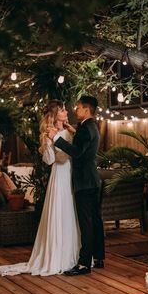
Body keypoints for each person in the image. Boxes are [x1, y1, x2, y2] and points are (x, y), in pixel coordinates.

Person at [0, 100, 80, 276]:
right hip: (59, 176)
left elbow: (75, 153)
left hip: (72, 174)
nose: (66, 111)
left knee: (70, 212)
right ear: (55, 114)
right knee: (60, 211)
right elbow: (50, 160)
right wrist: (49, 141)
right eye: (63, 110)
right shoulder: (50, 133)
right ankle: (57, 257)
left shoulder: (71, 130)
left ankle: (73, 255)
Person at [47, 95, 105, 276]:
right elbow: (84, 146)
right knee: (95, 221)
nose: (75, 110)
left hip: (84, 183)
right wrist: (73, 132)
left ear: (86, 109)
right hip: (93, 181)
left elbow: (77, 152)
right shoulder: (91, 126)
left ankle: (84, 264)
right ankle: (99, 257)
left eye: (78, 107)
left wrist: (57, 139)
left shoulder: (85, 129)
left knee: (86, 223)